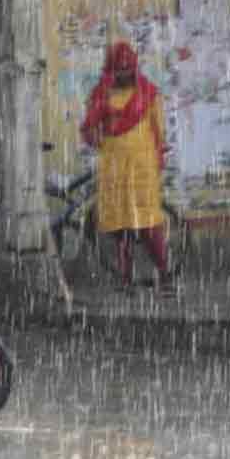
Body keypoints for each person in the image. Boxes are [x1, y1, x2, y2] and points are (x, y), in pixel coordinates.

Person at [80, 40, 175, 295]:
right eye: (118, 70)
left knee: (148, 227)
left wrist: (157, 160)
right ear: (110, 70)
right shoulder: (101, 93)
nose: (123, 74)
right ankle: (125, 280)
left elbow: (158, 131)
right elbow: (89, 129)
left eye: (127, 69)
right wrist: (96, 135)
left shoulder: (148, 92)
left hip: (142, 169)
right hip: (113, 168)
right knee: (120, 228)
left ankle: (165, 277)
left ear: (134, 68)